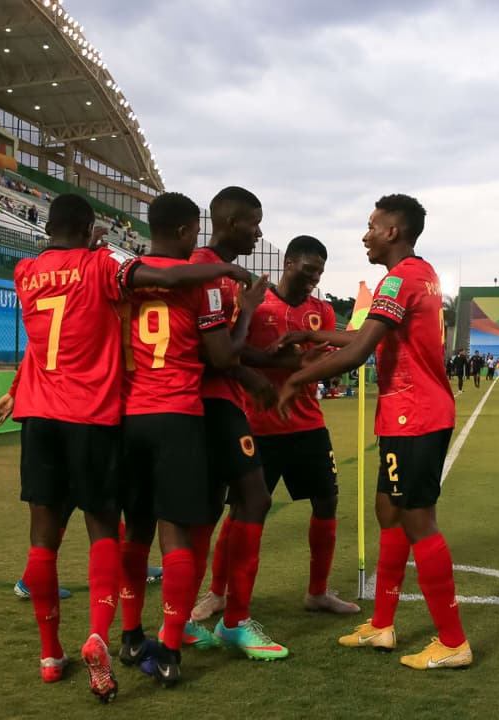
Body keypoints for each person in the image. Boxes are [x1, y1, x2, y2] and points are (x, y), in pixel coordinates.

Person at [0, 193, 247, 701]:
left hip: (81, 415)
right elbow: (178, 289)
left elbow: (44, 337)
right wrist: (231, 277)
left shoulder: (25, 271)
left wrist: (17, 387)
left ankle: (80, 647)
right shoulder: (109, 267)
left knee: (62, 537)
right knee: (150, 532)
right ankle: (160, 649)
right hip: (131, 413)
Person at [278, 194, 471, 671]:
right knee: (388, 512)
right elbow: (369, 337)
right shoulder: (418, 274)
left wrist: (297, 377)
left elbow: (360, 351)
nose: (364, 234)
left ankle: (453, 641)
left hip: (416, 416)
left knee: (418, 520)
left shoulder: (401, 277)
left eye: (370, 226)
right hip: (403, 415)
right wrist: (314, 336)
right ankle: (382, 625)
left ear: (392, 232)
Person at [115, 191, 260, 686]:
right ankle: (171, 648)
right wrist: (245, 308)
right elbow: (221, 358)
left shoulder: (122, 277)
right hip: (179, 413)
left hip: (129, 415)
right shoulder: (208, 285)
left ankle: (130, 635)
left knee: (133, 530)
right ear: (185, 231)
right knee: (175, 533)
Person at [193, 234, 359, 625]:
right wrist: (282, 366)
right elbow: (231, 354)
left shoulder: (322, 312)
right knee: (241, 510)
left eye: (319, 272)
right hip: (257, 425)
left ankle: (317, 592)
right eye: (307, 270)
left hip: (308, 424)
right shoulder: (256, 303)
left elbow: (321, 364)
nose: (313, 279)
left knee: (327, 502)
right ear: (288, 263)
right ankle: (218, 593)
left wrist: (304, 363)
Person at [184, 186, 288, 660]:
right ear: (228, 222)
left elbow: (230, 343)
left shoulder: (224, 278)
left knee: (212, 510)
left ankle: (196, 618)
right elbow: (217, 355)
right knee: (252, 497)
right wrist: (249, 370)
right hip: (209, 403)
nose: (259, 232)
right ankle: (233, 620)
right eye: (253, 223)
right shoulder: (207, 271)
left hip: (220, 401)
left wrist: (262, 348)